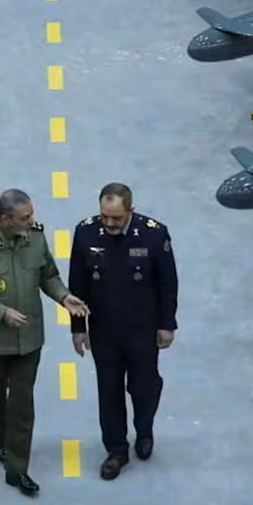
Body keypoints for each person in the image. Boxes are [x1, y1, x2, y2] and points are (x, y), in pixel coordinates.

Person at [0, 189, 88, 497]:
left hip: (28, 340)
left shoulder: (36, 237)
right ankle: (4, 442)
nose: (32, 221)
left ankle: (17, 469)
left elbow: (48, 275)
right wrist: (1, 313)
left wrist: (63, 296)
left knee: (21, 404)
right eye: (25, 217)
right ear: (5, 219)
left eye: (32, 215)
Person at [67, 183, 178, 480]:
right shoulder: (86, 232)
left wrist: (167, 324)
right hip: (104, 330)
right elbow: (77, 285)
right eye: (105, 216)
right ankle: (116, 449)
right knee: (109, 391)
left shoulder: (155, 234)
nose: (110, 223)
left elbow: (168, 284)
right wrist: (78, 327)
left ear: (131, 209)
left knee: (145, 388)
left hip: (142, 330)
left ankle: (144, 430)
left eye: (116, 217)